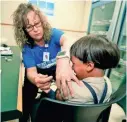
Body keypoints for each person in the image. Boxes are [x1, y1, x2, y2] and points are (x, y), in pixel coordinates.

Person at [12, 3, 79, 122]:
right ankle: (25, 117)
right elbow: (31, 72)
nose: (36, 29)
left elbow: (70, 40)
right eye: (29, 27)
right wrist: (36, 80)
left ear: (42, 21)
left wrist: (63, 59)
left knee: (61, 97)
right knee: (26, 97)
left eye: (37, 24)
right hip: (38, 74)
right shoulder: (27, 47)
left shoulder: (53, 34)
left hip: (56, 69)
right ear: (24, 31)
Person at [56, 35, 120, 104]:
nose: (71, 67)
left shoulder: (71, 89)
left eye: (73, 63)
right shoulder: (108, 82)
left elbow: (57, 97)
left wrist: (59, 90)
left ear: (89, 66)